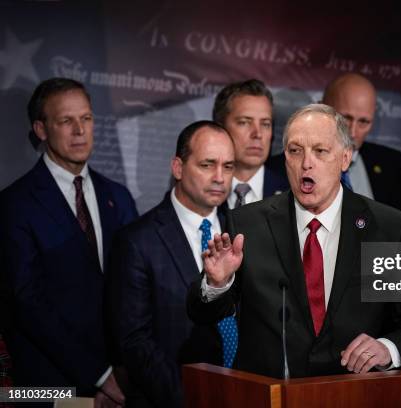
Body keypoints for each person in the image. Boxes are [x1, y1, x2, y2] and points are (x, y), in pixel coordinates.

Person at [187, 104, 401, 378]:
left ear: (345, 159)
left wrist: (388, 348)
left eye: (320, 151)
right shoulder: (248, 224)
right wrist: (216, 284)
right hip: (270, 396)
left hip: (351, 394)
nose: (306, 163)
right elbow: (203, 315)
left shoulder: (387, 228)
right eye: (295, 151)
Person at [0, 78, 138, 406]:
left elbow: (134, 290)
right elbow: (28, 303)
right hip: (50, 390)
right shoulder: (14, 205)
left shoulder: (117, 197)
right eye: (66, 120)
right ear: (41, 129)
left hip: (123, 382)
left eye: (86, 118)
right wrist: (101, 376)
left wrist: (127, 371)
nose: (79, 130)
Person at [107, 121, 234, 407]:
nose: (219, 177)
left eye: (228, 167)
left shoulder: (241, 230)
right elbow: (135, 341)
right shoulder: (137, 241)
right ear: (178, 167)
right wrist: (189, 399)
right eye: (207, 165)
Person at [321, 73, 401, 214]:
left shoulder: (392, 165)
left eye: (363, 122)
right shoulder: (288, 167)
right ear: (320, 110)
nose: (352, 132)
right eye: (345, 118)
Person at [212, 79, 288, 208]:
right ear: (220, 128)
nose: (257, 134)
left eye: (265, 124)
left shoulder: (291, 196)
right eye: (244, 122)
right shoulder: (200, 191)